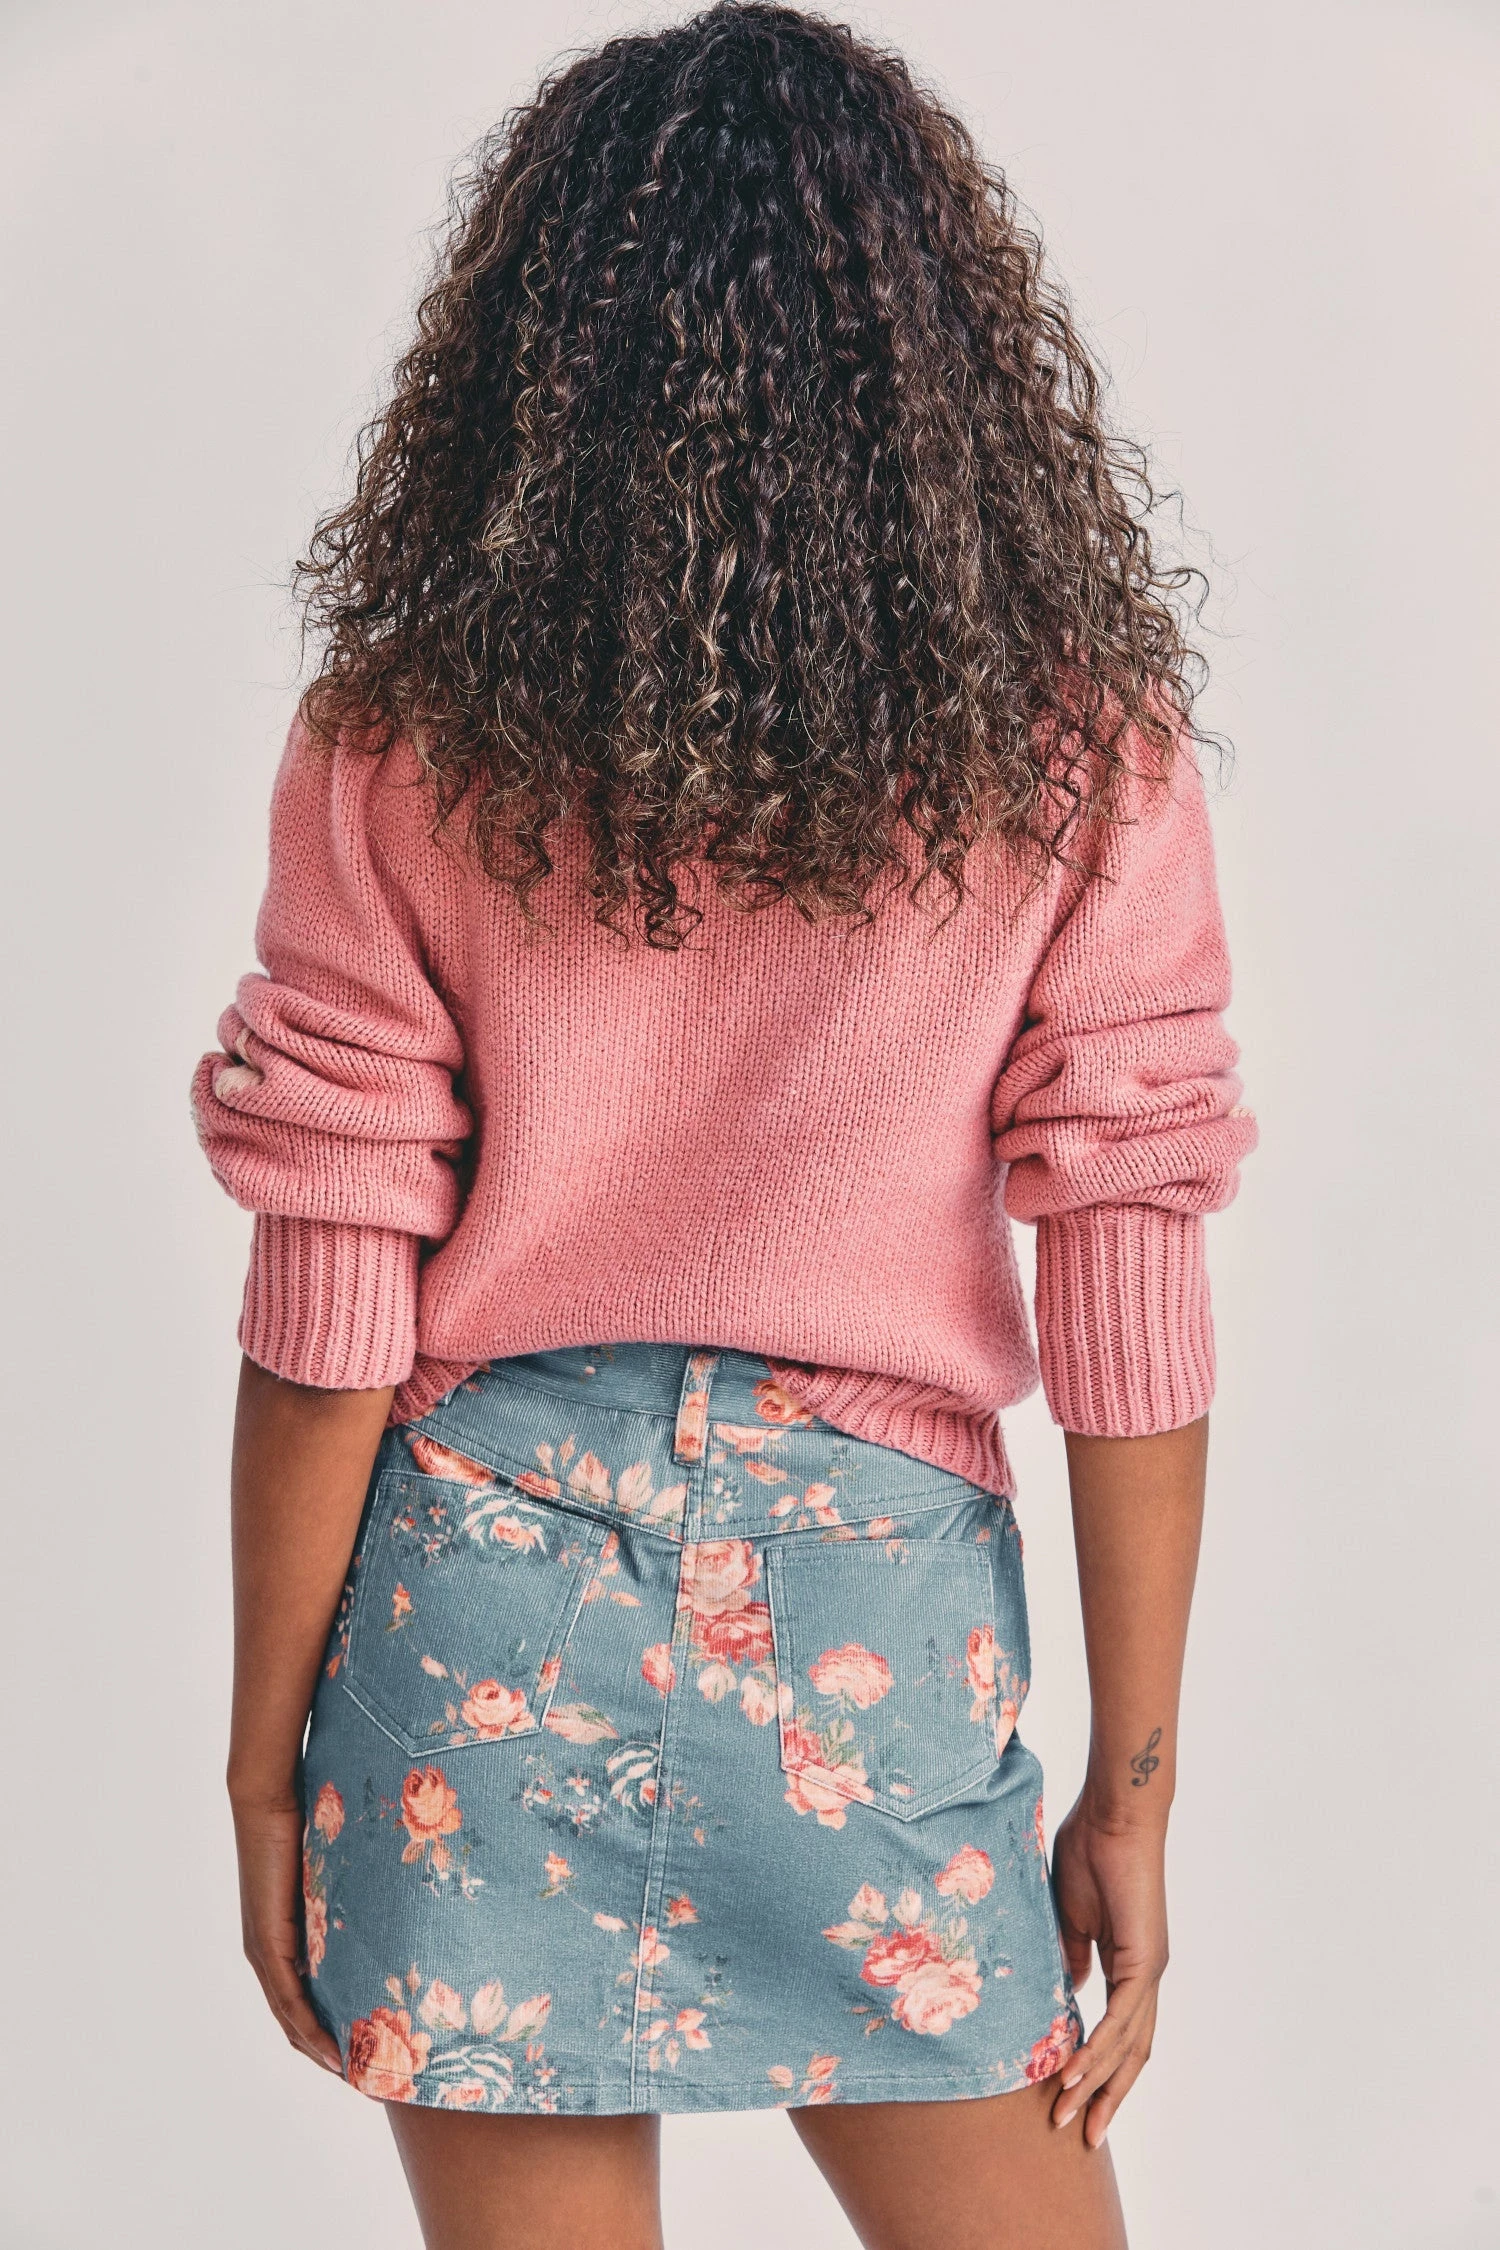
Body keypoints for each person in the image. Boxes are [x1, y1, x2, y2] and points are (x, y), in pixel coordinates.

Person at [192, 7, 1255, 2244]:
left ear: (529, 360)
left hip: (476, 1607)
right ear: (944, 352)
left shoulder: (398, 741)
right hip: (874, 1631)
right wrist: (1134, 1794)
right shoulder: (1079, 753)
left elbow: (328, 1300)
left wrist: (264, 1756)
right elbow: (1129, 1273)